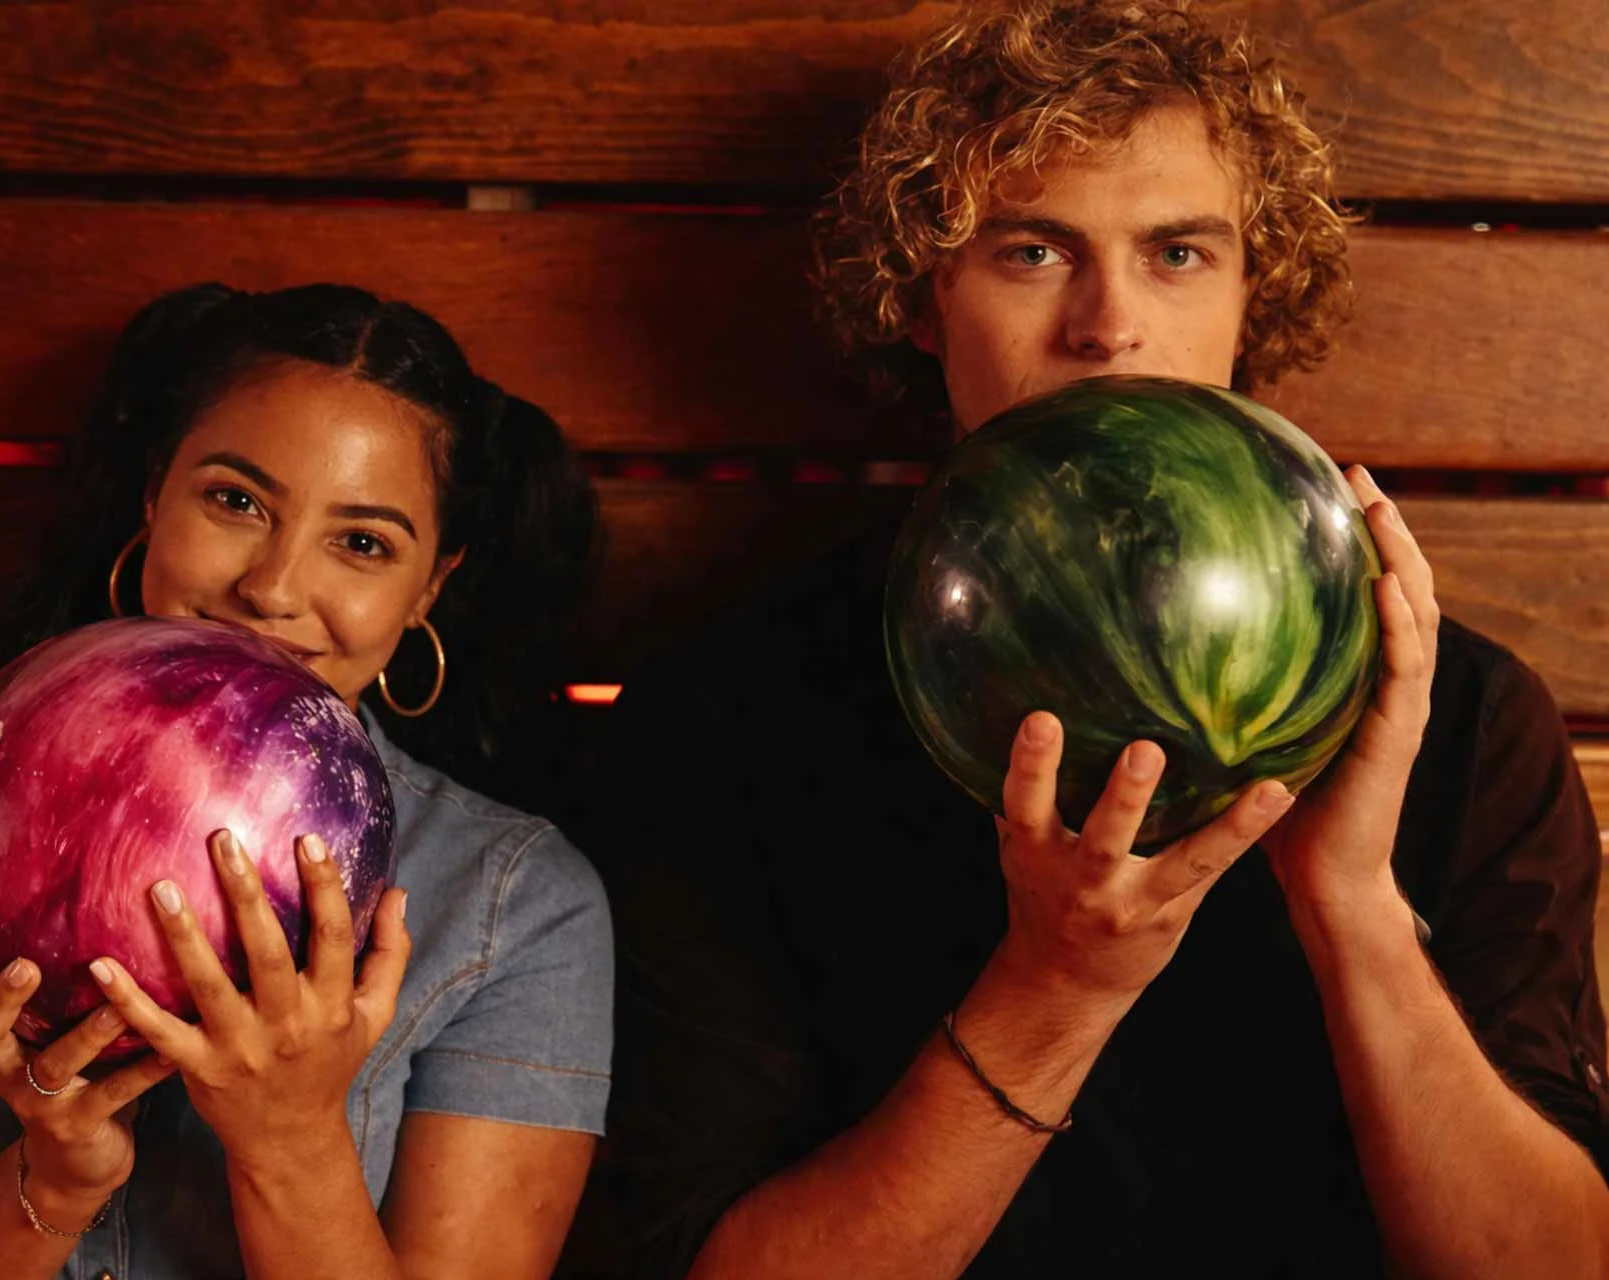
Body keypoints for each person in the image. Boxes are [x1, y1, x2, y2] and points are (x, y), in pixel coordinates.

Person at [572, 3, 1609, 1276]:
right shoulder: (723, 717)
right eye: (1032, 251)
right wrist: (1059, 984)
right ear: (921, 296)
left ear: (1251, 295)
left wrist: (1350, 903)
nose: (1110, 325)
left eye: (1179, 253)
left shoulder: (1455, 711)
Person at [0, 282, 615, 1280]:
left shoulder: (519, 903)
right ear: (156, 496)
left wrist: (289, 1137)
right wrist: (52, 1183)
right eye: (236, 499)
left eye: (363, 542)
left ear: (429, 586)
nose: (274, 588)